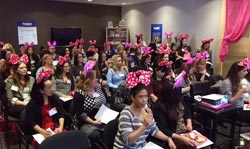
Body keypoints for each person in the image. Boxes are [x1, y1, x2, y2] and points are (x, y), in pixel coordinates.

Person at [114, 70, 176, 149]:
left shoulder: (146, 110)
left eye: (146, 96)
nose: (144, 100)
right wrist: (144, 126)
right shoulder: (126, 113)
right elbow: (128, 140)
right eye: (140, 97)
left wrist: (168, 139)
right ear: (133, 98)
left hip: (140, 146)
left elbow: (154, 130)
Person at [26, 69, 65, 147]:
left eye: (52, 87)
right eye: (49, 88)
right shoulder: (33, 103)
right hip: (40, 131)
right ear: (41, 91)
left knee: (64, 142)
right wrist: (42, 131)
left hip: (55, 127)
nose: (52, 89)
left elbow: (61, 114)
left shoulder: (54, 99)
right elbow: (31, 122)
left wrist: (61, 127)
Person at [153, 83, 196, 148]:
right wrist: (180, 138)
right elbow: (162, 129)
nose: (179, 97)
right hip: (173, 135)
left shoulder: (179, 100)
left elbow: (187, 112)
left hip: (185, 133)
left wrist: (189, 123)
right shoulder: (160, 107)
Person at [73, 68, 107, 149]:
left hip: (102, 117)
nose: (97, 80)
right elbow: (80, 114)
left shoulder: (98, 88)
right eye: (95, 78)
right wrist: (93, 122)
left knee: (113, 126)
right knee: (96, 134)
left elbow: (107, 101)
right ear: (89, 81)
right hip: (86, 122)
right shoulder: (79, 94)